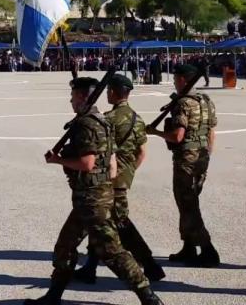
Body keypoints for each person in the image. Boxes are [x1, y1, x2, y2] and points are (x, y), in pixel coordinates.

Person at [26, 77, 163, 305]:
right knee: (65, 246)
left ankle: (149, 297)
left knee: (112, 252)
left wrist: (58, 160)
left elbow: (87, 163)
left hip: (92, 201)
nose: (70, 101)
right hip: (94, 196)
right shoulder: (103, 121)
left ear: (81, 97)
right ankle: (53, 297)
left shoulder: (86, 124)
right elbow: (112, 165)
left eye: (72, 96)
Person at [73, 74, 165, 284]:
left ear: (113, 92)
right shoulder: (137, 119)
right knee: (104, 224)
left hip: (106, 179)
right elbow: (141, 152)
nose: (106, 94)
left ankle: (149, 265)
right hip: (122, 178)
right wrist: (128, 173)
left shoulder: (108, 119)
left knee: (116, 224)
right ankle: (90, 267)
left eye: (108, 91)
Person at [146, 64, 220, 267]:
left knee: (188, 205)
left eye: (176, 78)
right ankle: (188, 247)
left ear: (184, 80)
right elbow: (212, 132)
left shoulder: (183, 104)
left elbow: (177, 136)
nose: (174, 82)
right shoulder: (206, 101)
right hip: (202, 157)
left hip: (186, 160)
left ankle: (207, 249)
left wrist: (155, 132)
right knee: (188, 203)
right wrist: (206, 156)